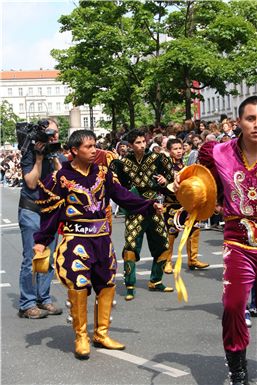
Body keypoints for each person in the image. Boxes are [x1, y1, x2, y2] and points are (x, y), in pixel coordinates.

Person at [33, 129, 164, 359]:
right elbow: (50, 215)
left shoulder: (103, 173)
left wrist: (148, 204)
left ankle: (101, 334)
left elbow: (122, 195)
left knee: (107, 284)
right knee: (79, 285)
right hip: (76, 241)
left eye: (95, 145)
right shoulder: (60, 178)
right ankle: (81, 335)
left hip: (102, 240)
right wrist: (41, 242)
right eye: (88, 146)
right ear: (74, 151)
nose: (95, 150)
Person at [176, 96, 257, 385]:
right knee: (234, 305)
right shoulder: (219, 152)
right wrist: (184, 187)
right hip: (238, 242)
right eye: (251, 118)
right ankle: (237, 370)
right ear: (239, 122)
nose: (256, 125)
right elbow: (199, 183)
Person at [110, 129, 174, 301]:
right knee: (131, 245)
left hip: (154, 207)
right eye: (137, 142)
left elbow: (171, 181)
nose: (142, 145)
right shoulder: (121, 163)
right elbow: (117, 189)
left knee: (162, 243)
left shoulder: (158, 158)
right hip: (135, 209)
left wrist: (164, 181)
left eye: (143, 141)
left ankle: (156, 280)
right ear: (130, 145)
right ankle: (130, 285)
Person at [18, 118, 64, 319]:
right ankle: (27, 303)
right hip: (31, 210)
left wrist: (53, 158)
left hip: (50, 212)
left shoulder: (56, 155)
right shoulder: (29, 153)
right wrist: (38, 158)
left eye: (56, 133)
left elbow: (63, 179)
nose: (54, 137)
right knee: (31, 258)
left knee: (48, 258)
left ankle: (43, 299)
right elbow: (30, 183)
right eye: (50, 133)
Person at [163, 138, 209, 274]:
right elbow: (163, 187)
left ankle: (193, 259)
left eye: (180, 148)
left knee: (194, 230)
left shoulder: (186, 166)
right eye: (175, 149)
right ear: (169, 151)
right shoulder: (166, 168)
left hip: (187, 205)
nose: (178, 151)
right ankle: (167, 261)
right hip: (171, 205)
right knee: (171, 234)